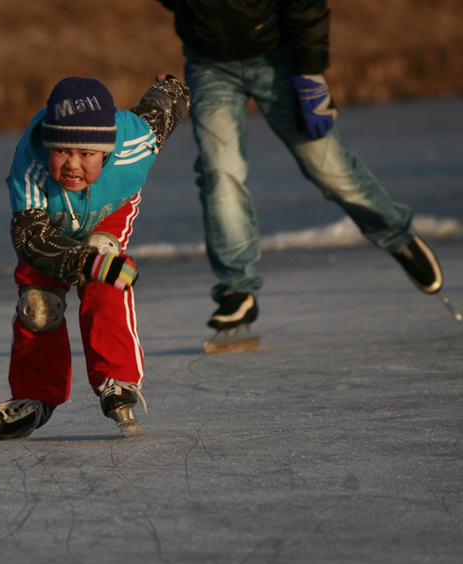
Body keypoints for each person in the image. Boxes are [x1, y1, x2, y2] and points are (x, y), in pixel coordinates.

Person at [154, 0, 444, 336]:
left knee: (329, 169)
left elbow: (305, 3)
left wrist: (310, 73)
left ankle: (397, 235)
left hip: (277, 55)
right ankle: (238, 288)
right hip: (209, 63)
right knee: (220, 172)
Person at [0, 75, 191, 443]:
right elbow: (32, 240)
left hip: (108, 209)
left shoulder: (137, 141)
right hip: (50, 224)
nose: (72, 165)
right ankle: (35, 394)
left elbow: (161, 111)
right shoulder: (31, 168)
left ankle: (117, 377)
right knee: (38, 305)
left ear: (106, 151)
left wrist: (172, 88)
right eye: (61, 151)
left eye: (85, 153)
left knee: (104, 269)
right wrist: (82, 263)